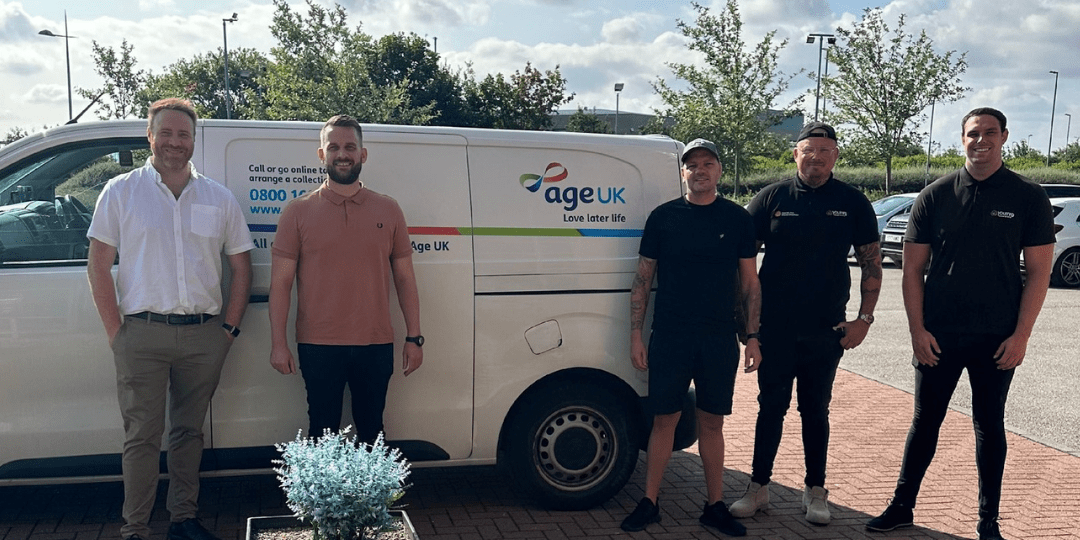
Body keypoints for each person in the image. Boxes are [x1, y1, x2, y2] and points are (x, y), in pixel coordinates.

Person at [866, 108, 1055, 540]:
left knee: (989, 425)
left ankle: (988, 520)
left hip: (998, 337)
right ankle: (901, 506)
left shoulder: (1027, 197)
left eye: (990, 132)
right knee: (925, 423)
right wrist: (917, 330)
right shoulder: (935, 195)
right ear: (962, 139)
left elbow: (1040, 273)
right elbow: (911, 270)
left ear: (1004, 137)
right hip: (939, 335)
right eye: (973, 133)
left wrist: (1021, 335)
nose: (981, 140)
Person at [87, 98, 254, 540]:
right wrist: (116, 334)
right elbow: (98, 265)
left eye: (184, 134)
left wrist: (229, 330)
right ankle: (135, 529)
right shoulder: (120, 192)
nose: (175, 142)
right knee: (141, 436)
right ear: (150, 135)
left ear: (194, 140)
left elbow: (241, 267)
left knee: (188, 433)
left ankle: (183, 519)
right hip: (140, 334)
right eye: (167, 133)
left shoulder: (218, 197)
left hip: (203, 337)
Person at [732, 122, 882, 526]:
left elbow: (872, 263)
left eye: (824, 150)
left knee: (815, 411)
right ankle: (757, 488)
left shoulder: (852, 201)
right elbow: (743, 268)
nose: (815, 157)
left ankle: (816, 490)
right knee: (770, 409)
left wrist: (863, 320)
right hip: (776, 329)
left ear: (835, 156)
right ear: (795, 154)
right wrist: (749, 330)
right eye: (808, 150)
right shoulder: (771, 198)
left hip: (826, 331)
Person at [619, 138, 761, 537]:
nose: (700, 170)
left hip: (718, 338)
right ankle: (649, 502)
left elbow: (750, 284)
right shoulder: (663, 218)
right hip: (670, 335)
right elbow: (642, 281)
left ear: (719, 171)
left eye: (708, 163)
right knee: (664, 420)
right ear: (683, 172)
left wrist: (753, 336)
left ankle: (714, 505)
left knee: (712, 423)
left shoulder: (737, 219)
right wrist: (635, 334)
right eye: (692, 164)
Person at [269, 114, 423, 446]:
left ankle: (374, 501)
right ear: (321, 155)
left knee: (373, 433)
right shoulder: (297, 212)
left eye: (350, 147)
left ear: (363, 154)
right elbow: (280, 284)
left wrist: (415, 337)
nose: (343, 154)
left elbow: (405, 279)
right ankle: (320, 501)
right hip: (318, 345)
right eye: (334, 147)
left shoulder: (388, 209)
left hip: (375, 344)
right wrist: (278, 343)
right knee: (322, 435)